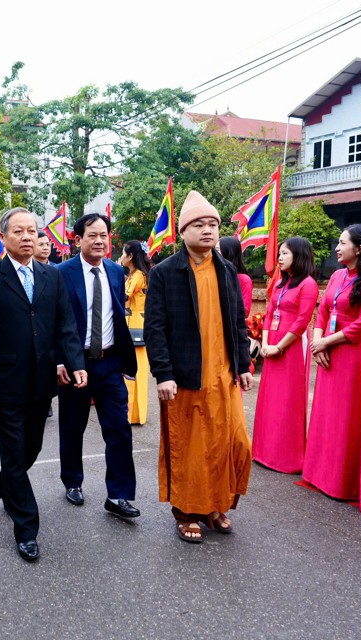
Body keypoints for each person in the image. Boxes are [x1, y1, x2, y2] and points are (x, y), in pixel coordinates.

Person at [0, 207, 85, 561]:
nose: (26, 237)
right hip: (5, 381)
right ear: (3, 237)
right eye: (18, 231)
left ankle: (7, 484)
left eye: (32, 231)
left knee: (30, 448)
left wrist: (75, 363)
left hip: (42, 379)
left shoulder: (51, 276)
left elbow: (65, 323)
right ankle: (26, 527)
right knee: (14, 449)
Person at [144, 190, 253, 543]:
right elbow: (155, 327)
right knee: (189, 446)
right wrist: (163, 373)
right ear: (183, 231)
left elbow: (238, 320)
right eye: (199, 224)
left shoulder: (226, 269)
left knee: (230, 442)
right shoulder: (164, 273)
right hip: (186, 376)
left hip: (223, 375)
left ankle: (216, 505)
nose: (208, 231)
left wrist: (244, 363)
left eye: (213, 225)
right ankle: (188, 511)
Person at [55, 214, 140, 518]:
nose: (100, 241)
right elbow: (54, 323)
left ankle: (118, 495)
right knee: (73, 426)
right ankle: (72, 480)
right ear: (78, 240)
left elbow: (116, 317)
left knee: (118, 429)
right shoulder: (61, 273)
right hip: (75, 365)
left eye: (104, 235)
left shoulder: (117, 273)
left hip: (109, 364)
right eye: (92, 235)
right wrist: (60, 361)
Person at [303, 225, 361, 499]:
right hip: (328, 350)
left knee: (346, 416)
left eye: (342, 242)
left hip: (352, 354)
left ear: (359, 248)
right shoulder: (337, 275)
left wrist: (327, 341)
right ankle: (318, 473)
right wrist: (317, 342)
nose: (337, 247)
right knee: (326, 414)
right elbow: (323, 310)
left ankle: (342, 481)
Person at [251, 236, 319, 474]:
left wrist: (280, 347)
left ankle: (286, 457)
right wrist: (267, 343)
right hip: (273, 343)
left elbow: (302, 321)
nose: (279, 257)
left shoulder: (307, 284)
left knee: (288, 400)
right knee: (270, 397)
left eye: (285, 253)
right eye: (279, 253)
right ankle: (264, 451)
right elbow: (269, 315)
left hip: (291, 345)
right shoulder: (280, 283)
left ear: (299, 256)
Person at [120, 239, 152, 426]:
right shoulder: (134, 274)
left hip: (137, 326)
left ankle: (134, 413)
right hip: (131, 323)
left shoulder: (138, 275)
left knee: (136, 372)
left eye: (124, 254)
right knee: (130, 372)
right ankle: (131, 412)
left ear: (131, 256)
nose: (121, 258)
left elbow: (124, 296)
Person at [219, 237, 252, 316]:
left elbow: (244, 311)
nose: (213, 252)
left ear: (228, 252)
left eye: (217, 249)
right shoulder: (213, 275)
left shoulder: (243, 279)